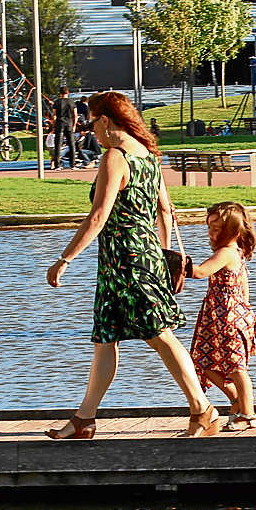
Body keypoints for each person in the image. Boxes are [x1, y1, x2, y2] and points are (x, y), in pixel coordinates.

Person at [44, 91, 220, 440]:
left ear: (106, 120)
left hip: (127, 262)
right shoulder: (149, 157)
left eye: (91, 122)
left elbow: (98, 216)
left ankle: (203, 410)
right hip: (134, 260)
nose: (90, 129)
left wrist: (64, 259)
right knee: (105, 339)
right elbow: (165, 211)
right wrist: (164, 256)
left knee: (159, 335)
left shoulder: (116, 157)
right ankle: (84, 419)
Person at [189, 202, 256, 432]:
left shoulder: (227, 253)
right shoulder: (233, 253)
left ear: (232, 231)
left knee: (236, 367)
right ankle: (236, 401)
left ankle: (248, 414)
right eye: (209, 227)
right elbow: (244, 287)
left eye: (216, 228)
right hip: (214, 318)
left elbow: (200, 272)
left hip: (230, 319)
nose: (210, 233)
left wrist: (176, 263)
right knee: (202, 362)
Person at [51, 86, 78, 170]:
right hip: (69, 123)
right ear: (68, 93)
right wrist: (74, 125)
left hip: (60, 123)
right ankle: (72, 164)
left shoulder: (57, 102)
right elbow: (75, 115)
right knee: (71, 144)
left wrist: (54, 125)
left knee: (58, 145)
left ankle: (57, 165)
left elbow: (54, 115)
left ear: (60, 93)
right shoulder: (72, 102)